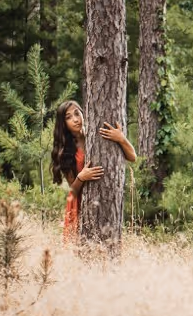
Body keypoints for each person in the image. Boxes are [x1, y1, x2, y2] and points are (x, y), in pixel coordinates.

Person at [51, 100, 137, 244]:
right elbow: (73, 191)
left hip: (105, 199)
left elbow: (133, 157)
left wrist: (121, 139)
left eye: (77, 113)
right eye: (69, 117)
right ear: (63, 124)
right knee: (81, 246)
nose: (75, 119)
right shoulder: (65, 151)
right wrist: (81, 177)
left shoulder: (97, 133)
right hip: (80, 203)